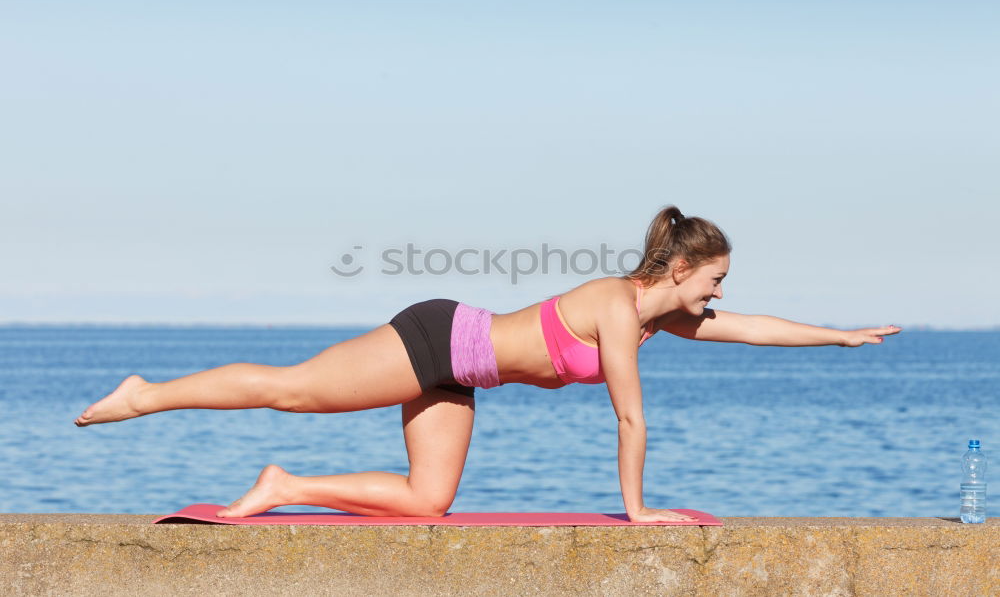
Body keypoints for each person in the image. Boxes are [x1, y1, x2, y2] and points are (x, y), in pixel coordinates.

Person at [74, 205, 901, 522]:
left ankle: (283, 487)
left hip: (461, 376)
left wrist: (841, 336)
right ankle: (147, 395)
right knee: (292, 390)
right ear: (680, 271)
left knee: (426, 504)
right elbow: (630, 415)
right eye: (716, 279)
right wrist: (638, 512)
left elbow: (751, 330)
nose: (723, 294)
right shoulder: (618, 309)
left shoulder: (661, 322)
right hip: (434, 340)